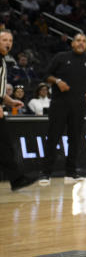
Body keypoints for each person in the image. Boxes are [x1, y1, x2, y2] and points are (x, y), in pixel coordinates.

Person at [40, 32, 86, 185]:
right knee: (53, 138)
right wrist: (57, 81)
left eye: (84, 41)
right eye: (78, 40)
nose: (81, 43)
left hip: (79, 106)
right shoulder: (61, 57)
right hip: (59, 104)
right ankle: (46, 173)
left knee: (75, 139)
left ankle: (70, 173)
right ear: (72, 43)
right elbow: (45, 74)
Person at [0, 30, 37, 190]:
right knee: (4, 146)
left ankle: (16, 179)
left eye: (10, 40)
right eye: (4, 40)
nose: (8, 43)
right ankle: (17, 179)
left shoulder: (3, 60)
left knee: (5, 146)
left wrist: (10, 101)